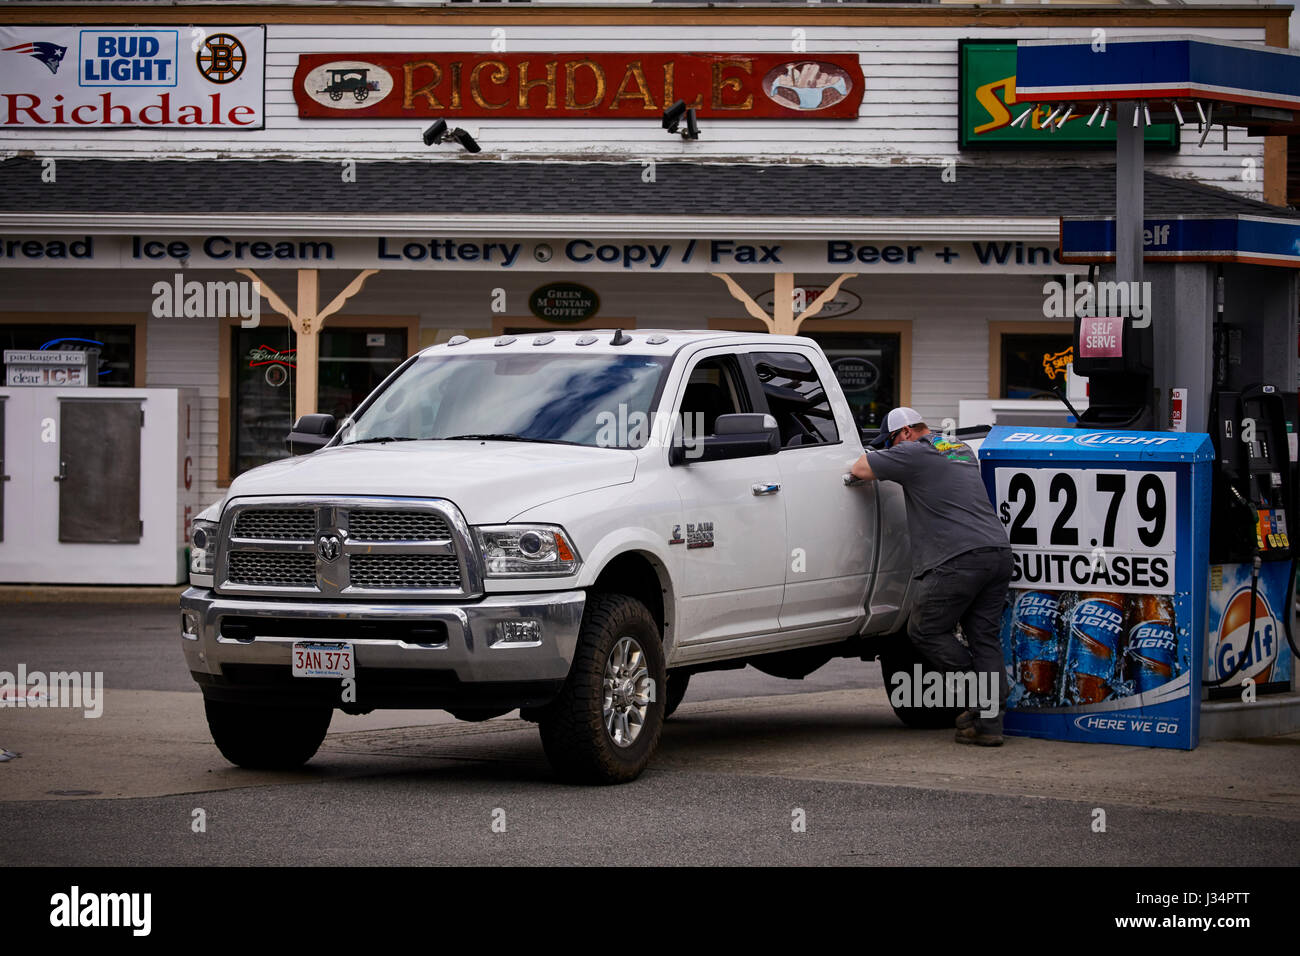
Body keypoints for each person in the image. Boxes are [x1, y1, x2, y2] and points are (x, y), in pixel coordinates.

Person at [850, 407, 1012, 746]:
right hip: (996, 553)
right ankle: (990, 725)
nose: (891, 448)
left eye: (891, 441)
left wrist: (885, 456)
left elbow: (860, 468)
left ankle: (975, 691)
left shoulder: (911, 452)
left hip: (956, 559)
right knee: (984, 637)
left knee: (924, 630)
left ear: (906, 432)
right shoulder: (959, 449)